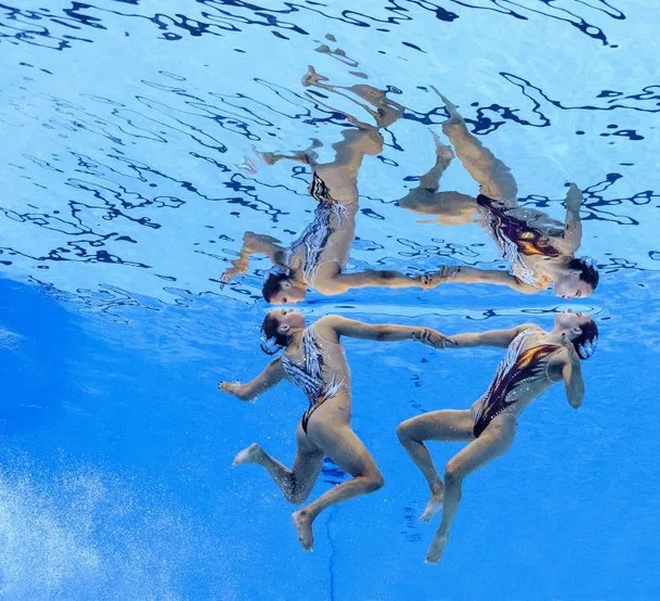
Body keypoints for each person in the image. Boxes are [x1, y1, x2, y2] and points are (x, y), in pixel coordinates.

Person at [220, 310, 454, 551]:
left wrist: (233, 388)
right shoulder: (326, 325)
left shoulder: (280, 364)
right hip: (327, 418)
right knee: (372, 479)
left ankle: (260, 457)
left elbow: (247, 394)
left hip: (308, 426)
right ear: (284, 328)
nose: (291, 308)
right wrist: (419, 332)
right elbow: (379, 333)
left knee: (295, 492)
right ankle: (308, 515)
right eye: (285, 312)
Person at [395, 310, 598, 563]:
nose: (571, 309)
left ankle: (443, 532)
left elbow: (576, 401)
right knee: (407, 432)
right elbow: (480, 337)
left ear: (576, 330)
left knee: (453, 471)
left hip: (500, 427)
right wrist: (446, 341)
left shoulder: (563, 358)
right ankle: (436, 490)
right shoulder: (527, 330)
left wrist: (575, 363)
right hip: (473, 415)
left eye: (578, 314)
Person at [221, 67, 431, 303]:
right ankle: (299, 140)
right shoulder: (285, 260)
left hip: (342, 200)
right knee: (369, 139)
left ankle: (320, 85)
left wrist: (415, 281)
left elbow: (377, 278)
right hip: (321, 193)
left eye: (285, 301)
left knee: (370, 134)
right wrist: (241, 263)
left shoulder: (323, 283)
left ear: (287, 285)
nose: (292, 304)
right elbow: (251, 240)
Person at [402, 89, 599, 298]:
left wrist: (446, 276)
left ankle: (442, 162)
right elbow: (573, 205)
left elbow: (484, 277)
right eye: (578, 293)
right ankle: (439, 93)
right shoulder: (567, 245)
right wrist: (575, 180)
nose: (570, 299)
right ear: (578, 274)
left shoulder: (531, 284)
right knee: (456, 132)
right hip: (501, 198)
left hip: (481, 216)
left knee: (413, 203)